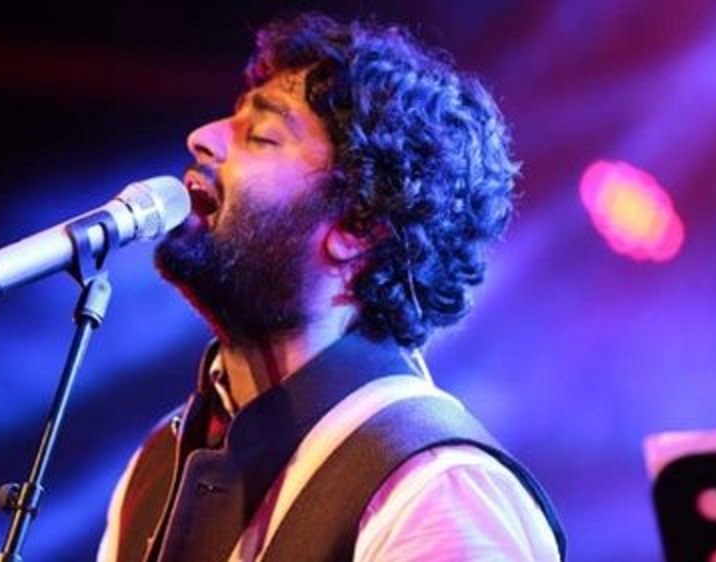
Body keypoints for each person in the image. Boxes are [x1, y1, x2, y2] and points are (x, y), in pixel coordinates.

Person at [98, 12, 565, 561]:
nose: (202, 137)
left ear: (358, 229)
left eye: (262, 135)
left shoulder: (434, 491)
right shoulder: (159, 464)